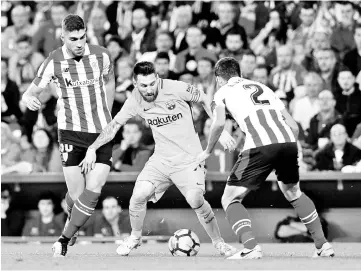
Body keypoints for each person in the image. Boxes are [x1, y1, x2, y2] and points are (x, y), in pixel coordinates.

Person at [80, 61, 237, 257]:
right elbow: (113, 127)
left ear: (158, 78)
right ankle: (135, 238)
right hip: (161, 159)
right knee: (138, 195)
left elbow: (205, 99)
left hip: (189, 158)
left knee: (195, 198)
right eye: (143, 85)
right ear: (135, 83)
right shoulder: (134, 100)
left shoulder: (176, 88)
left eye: (152, 83)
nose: (149, 88)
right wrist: (93, 148)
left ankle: (219, 243)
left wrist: (219, 129)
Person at [198, 57, 334, 259]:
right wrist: (284, 148)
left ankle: (251, 247)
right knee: (293, 192)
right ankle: (323, 246)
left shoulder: (223, 91)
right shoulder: (264, 88)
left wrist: (208, 150)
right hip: (288, 142)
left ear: (218, 78)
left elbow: (218, 123)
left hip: (260, 144)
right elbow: (293, 126)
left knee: (230, 198)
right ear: (240, 74)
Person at [21, 14, 115, 257]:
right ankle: (73, 220)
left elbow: (109, 79)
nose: (80, 43)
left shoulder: (102, 54)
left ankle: (63, 238)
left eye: (83, 37)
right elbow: (29, 92)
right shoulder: (53, 62)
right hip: (71, 132)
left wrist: (109, 113)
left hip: (101, 131)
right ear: (62, 37)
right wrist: (29, 99)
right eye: (73, 39)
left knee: (94, 189)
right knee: (77, 194)